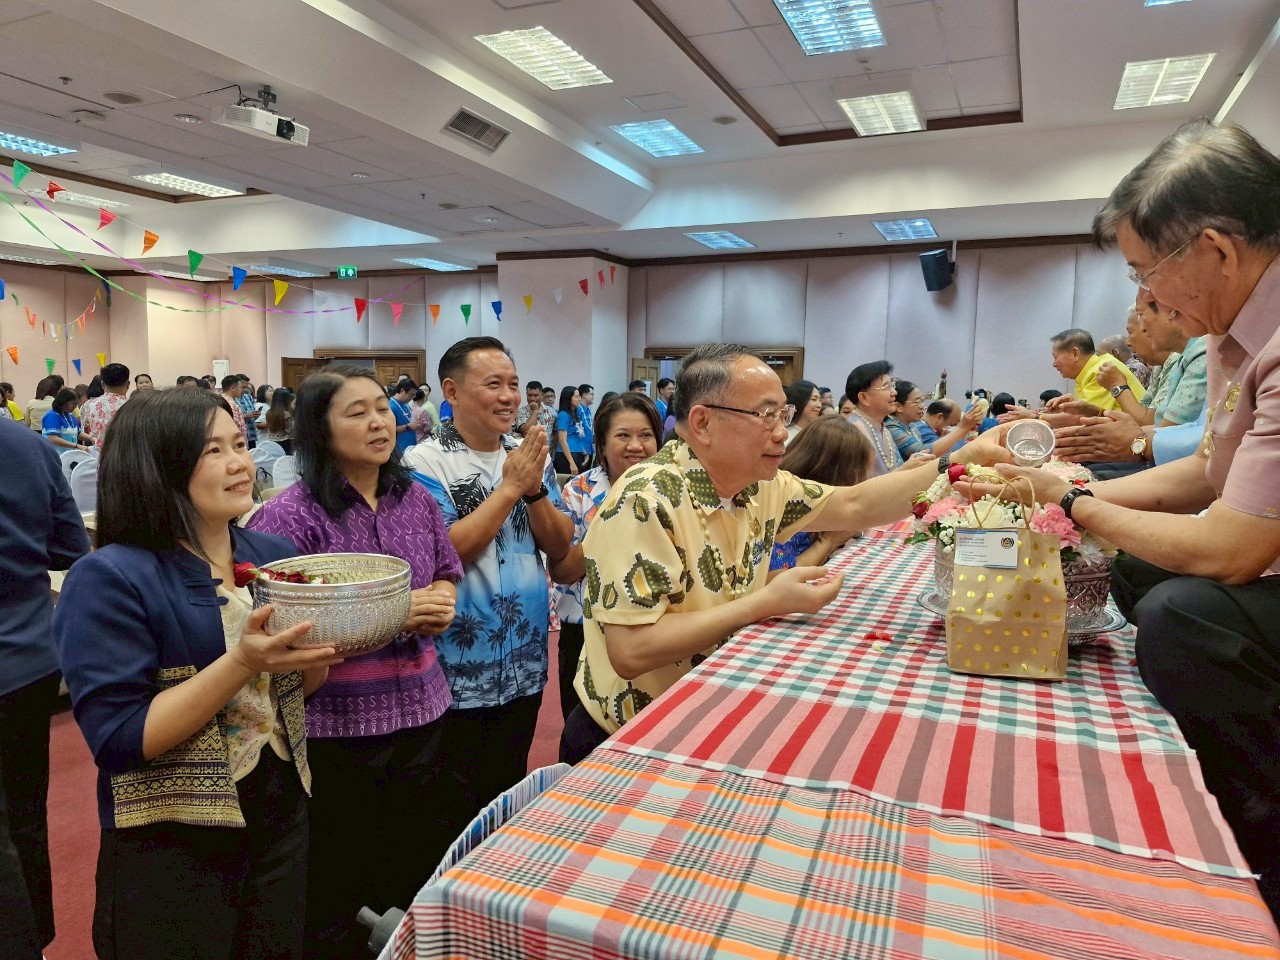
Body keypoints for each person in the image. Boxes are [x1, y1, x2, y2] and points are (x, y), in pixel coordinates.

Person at [971, 119, 1280, 914]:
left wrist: (1073, 500)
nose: (1150, 302)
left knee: (1188, 613)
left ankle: (1258, 825)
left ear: (1213, 249)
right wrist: (1064, 481)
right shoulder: (1234, 334)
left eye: (1149, 276)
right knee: (1142, 566)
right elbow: (1210, 473)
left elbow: (1235, 547)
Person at [563, 343, 1009, 759]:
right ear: (702, 423)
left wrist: (962, 460)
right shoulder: (644, 501)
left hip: (703, 705)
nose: (783, 433)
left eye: (784, 414)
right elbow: (632, 650)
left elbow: (853, 504)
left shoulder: (761, 485)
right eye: (766, 416)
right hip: (625, 733)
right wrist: (762, 603)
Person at [52, 388, 340, 960]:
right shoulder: (111, 576)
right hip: (175, 839)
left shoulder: (272, 554)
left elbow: (292, 694)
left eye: (240, 443)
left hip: (281, 806)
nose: (241, 462)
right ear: (157, 465)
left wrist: (322, 653)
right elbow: (120, 738)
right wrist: (242, 662)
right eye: (214, 450)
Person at [249, 367, 463, 957]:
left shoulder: (415, 498)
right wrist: (399, 613)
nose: (379, 423)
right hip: (337, 729)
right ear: (319, 428)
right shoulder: (289, 517)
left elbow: (446, 574)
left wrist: (442, 601)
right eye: (357, 412)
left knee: (412, 862)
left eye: (381, 408)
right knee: (340, 880)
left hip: (423, 708)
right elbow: (282, 632)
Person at [403, 337, 573, 847]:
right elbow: (447, 552)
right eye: (494, 385)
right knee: (452, 804)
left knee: (508, 793)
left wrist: (534, 485)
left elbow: (561, 545)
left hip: (523, 659)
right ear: (450, 391)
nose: (509, 397)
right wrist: (508, 488)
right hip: (458, 665)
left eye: (514, 385)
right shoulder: (423, 464)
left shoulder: (526, 458)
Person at [0, 417, 90, 960]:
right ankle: (33, 938)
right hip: (27, 660)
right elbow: (68, 548)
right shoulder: (26, 445)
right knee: (26, 813)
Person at [549, 393, 662, 723]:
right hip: (584, 628)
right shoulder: (579, 491)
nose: (636, 446)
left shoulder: (673, 490)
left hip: (653, 628)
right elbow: (564, 571)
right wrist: (610, 527)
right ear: (601, 441)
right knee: (581, 726)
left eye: (645, 435)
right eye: (623, 436)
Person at [769, 416, 872, 573]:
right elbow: (781, 576)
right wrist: (829, 541)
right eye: (860, 473)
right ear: (834, 473)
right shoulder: (789, 503)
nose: (866, 480)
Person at [1046, 328, 1146, 412]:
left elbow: (1083, 419)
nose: (1054, 364)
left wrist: (1038, 417)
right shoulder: (1086, 373)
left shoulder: (1102, 369)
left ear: (1075, 354)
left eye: (1055, 357)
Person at [844, 361, 903, 475]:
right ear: (864, 397)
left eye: (892, 386)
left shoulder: (883, 429)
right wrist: (906, 468)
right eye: (886, 387)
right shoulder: (852, 431)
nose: (894, 392)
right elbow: (859, 485)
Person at [79, 361, 130, 446]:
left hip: (100, 455)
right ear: (128, 384)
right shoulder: (131, 406)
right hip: (125, 455)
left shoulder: (91, 405)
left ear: (102, 384)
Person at [554, 385, 589, 475]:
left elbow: (577, 436)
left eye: (579, 397)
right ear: (568, 399)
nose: (579, 399)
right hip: (566, 455)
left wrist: (585, 454)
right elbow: (562, 440)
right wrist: (571, 462)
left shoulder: (576, 414)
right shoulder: (564, 415)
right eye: (576, 397)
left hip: (577, 452)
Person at [783, 378, 822, 445]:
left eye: (820, 400)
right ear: (800, 400)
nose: (819, 405)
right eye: (813, 399)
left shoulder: (819, 434)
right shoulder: (786, 437)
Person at [387, 378, 417, 456]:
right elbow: (389, 429)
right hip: (400, 448)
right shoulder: (391, 406)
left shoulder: (406, 404)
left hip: (410, 446)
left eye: (414, 395)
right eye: (411, 395)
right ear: (403, 391)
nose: (412, 398)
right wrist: (407, 426)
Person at [262, 386, 295, 453]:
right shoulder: (286, 414)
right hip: (285, 443)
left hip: (271, 442)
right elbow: (290, 431)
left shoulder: (269, 412)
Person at [220, 375, 249, 440]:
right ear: (233, 388)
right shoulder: (229, 404)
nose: (241, 390)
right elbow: (235, 426)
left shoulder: (222, 400)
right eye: (240, 387)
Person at [234, 375, 259, 450]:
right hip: (239, 435)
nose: (245, 390)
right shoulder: (231, 399)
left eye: (247, 387)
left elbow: (252, 413)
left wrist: (256, 414)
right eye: (243, 387)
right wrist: (245, 416)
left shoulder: (248, 397)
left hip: (251, 434)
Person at [577, 384, 596, 469]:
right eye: (591, 394)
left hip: (589, 449)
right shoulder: (577, 409)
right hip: (581, 450)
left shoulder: (588, 410)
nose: (593, 397)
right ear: (584, 395)